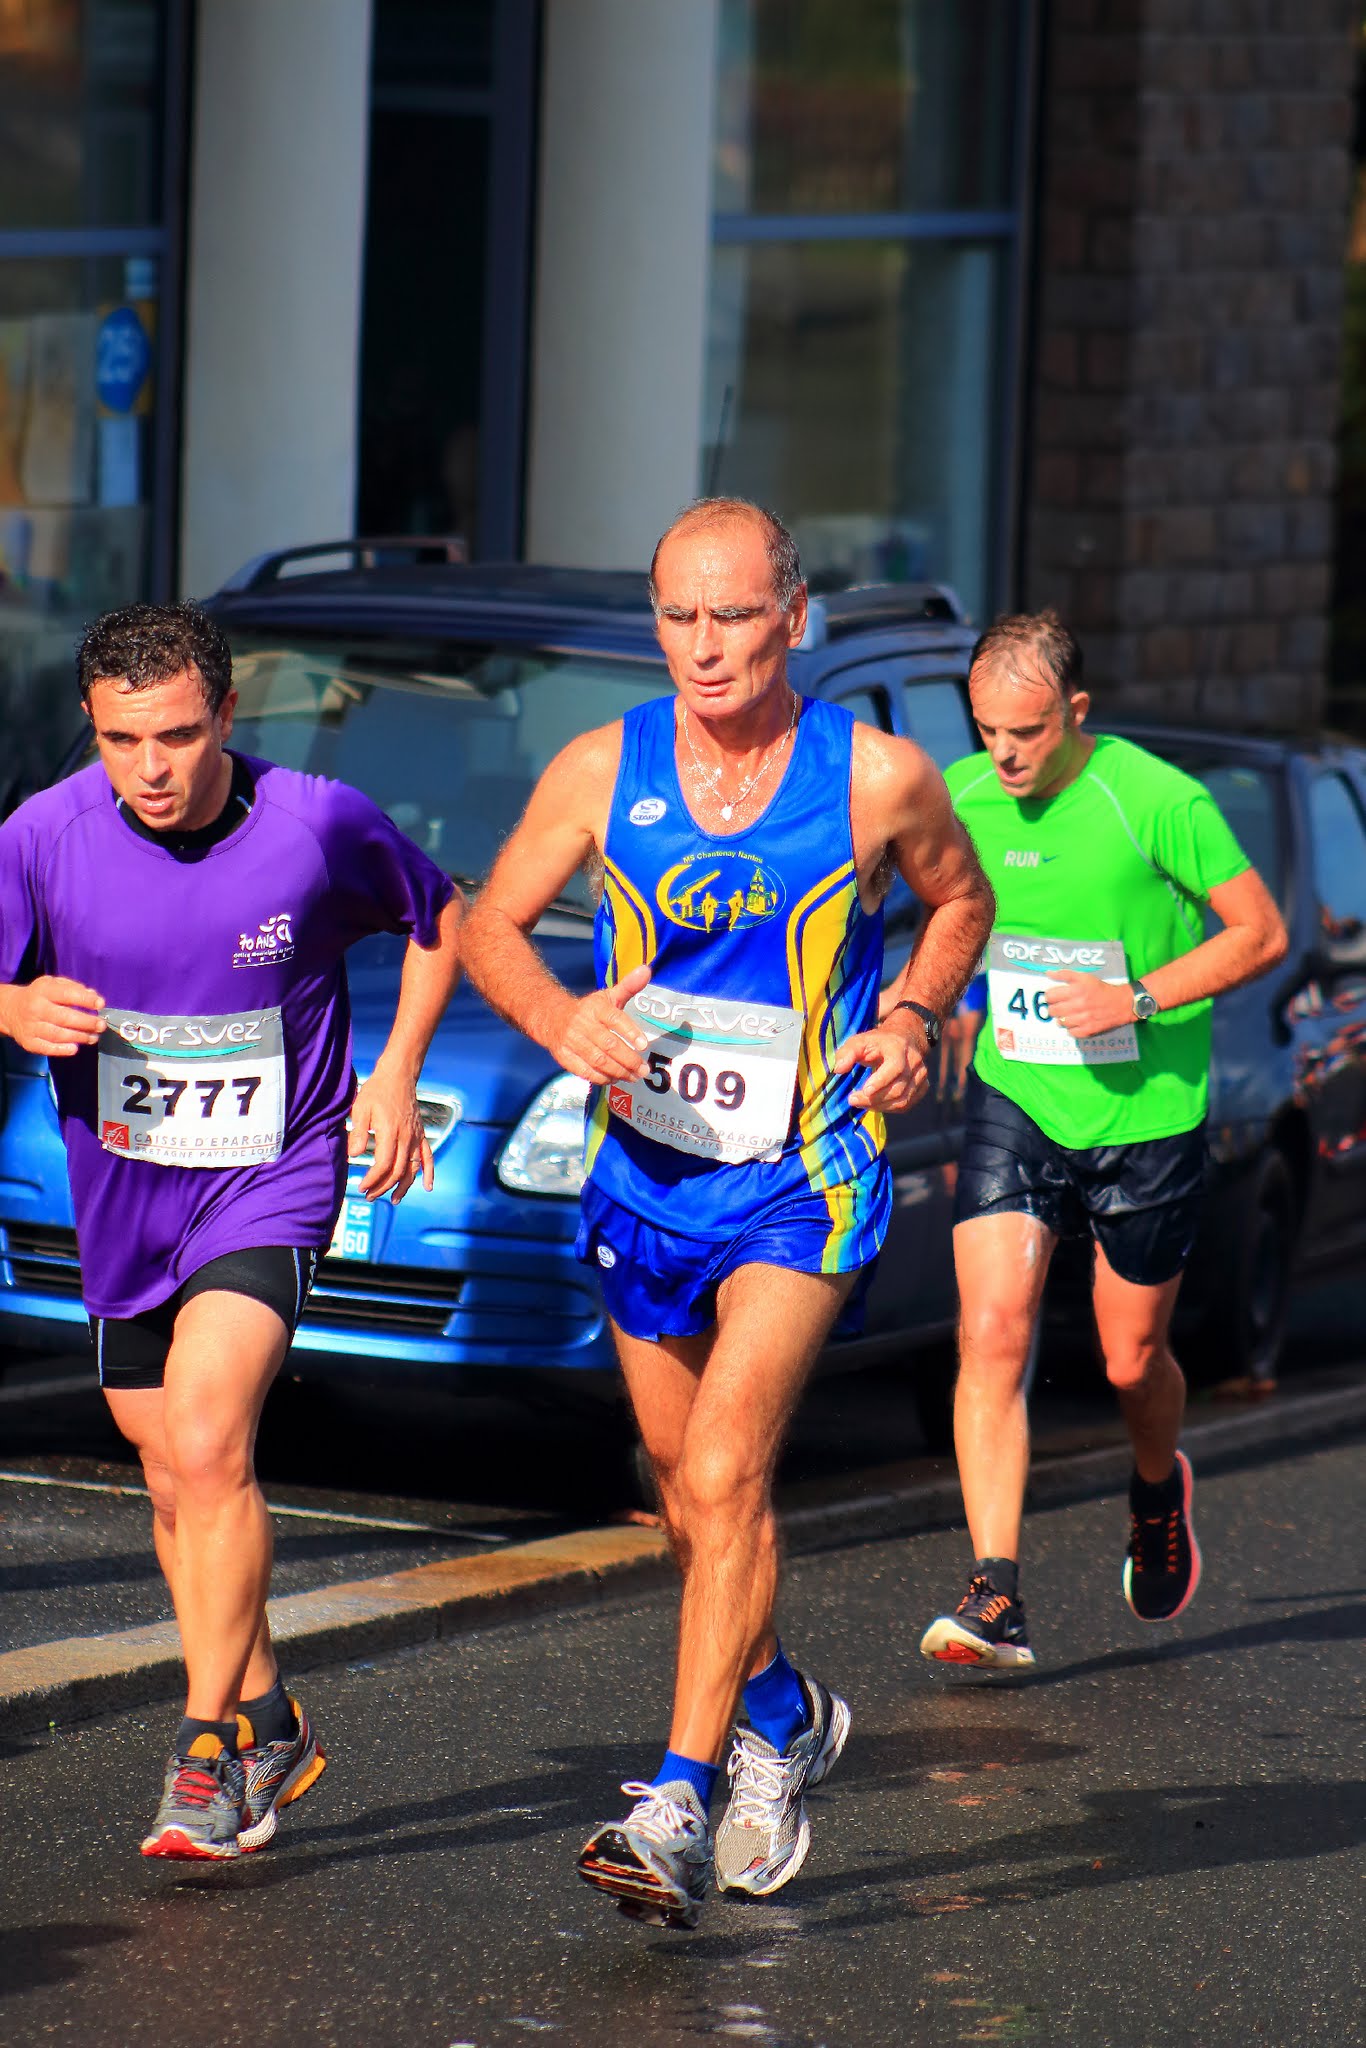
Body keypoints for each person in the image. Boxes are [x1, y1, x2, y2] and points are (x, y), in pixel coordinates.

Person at [462, 498, 993, 1928]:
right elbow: (486, 923)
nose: (705, 645)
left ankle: (679, 1800)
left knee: (723, 1470)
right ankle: (783, 1712)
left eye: (736, 614)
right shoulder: (600, 765)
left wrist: (910, 1013)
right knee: (679, 1486)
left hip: (801, 1175)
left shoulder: (876, 775)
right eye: (679, 616)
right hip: (646, 1173)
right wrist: (562, 1017)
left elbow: (959, 901)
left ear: (792, 617)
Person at [0, 603, 462, 1857]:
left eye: (177, 735)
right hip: (125, 1195)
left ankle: (207, 1748)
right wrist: (10, 1004)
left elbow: (441, 918)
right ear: (90, 726)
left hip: (270, 1177)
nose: (150, 767)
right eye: (121, 739)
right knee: (172, 1473)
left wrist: (393, 1073)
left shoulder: (315, 822)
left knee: (209, 1439)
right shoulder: (43, 834)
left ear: (226, 715)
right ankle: (270, 1715)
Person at [916, 610, 1287, 1671]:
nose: (1003, 754)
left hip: (1145, 1115)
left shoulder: (1158, 799)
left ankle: (1157, 1487)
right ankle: (994, 1591)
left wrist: (1137, 996)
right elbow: (943, 914)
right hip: (1020, 1096)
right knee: (992, 1330)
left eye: (1027, 731)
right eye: (987, 729)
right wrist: (940, 1002)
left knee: (1130, 1361)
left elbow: (1259, 931)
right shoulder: (963, 796)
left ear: (1076, 711)